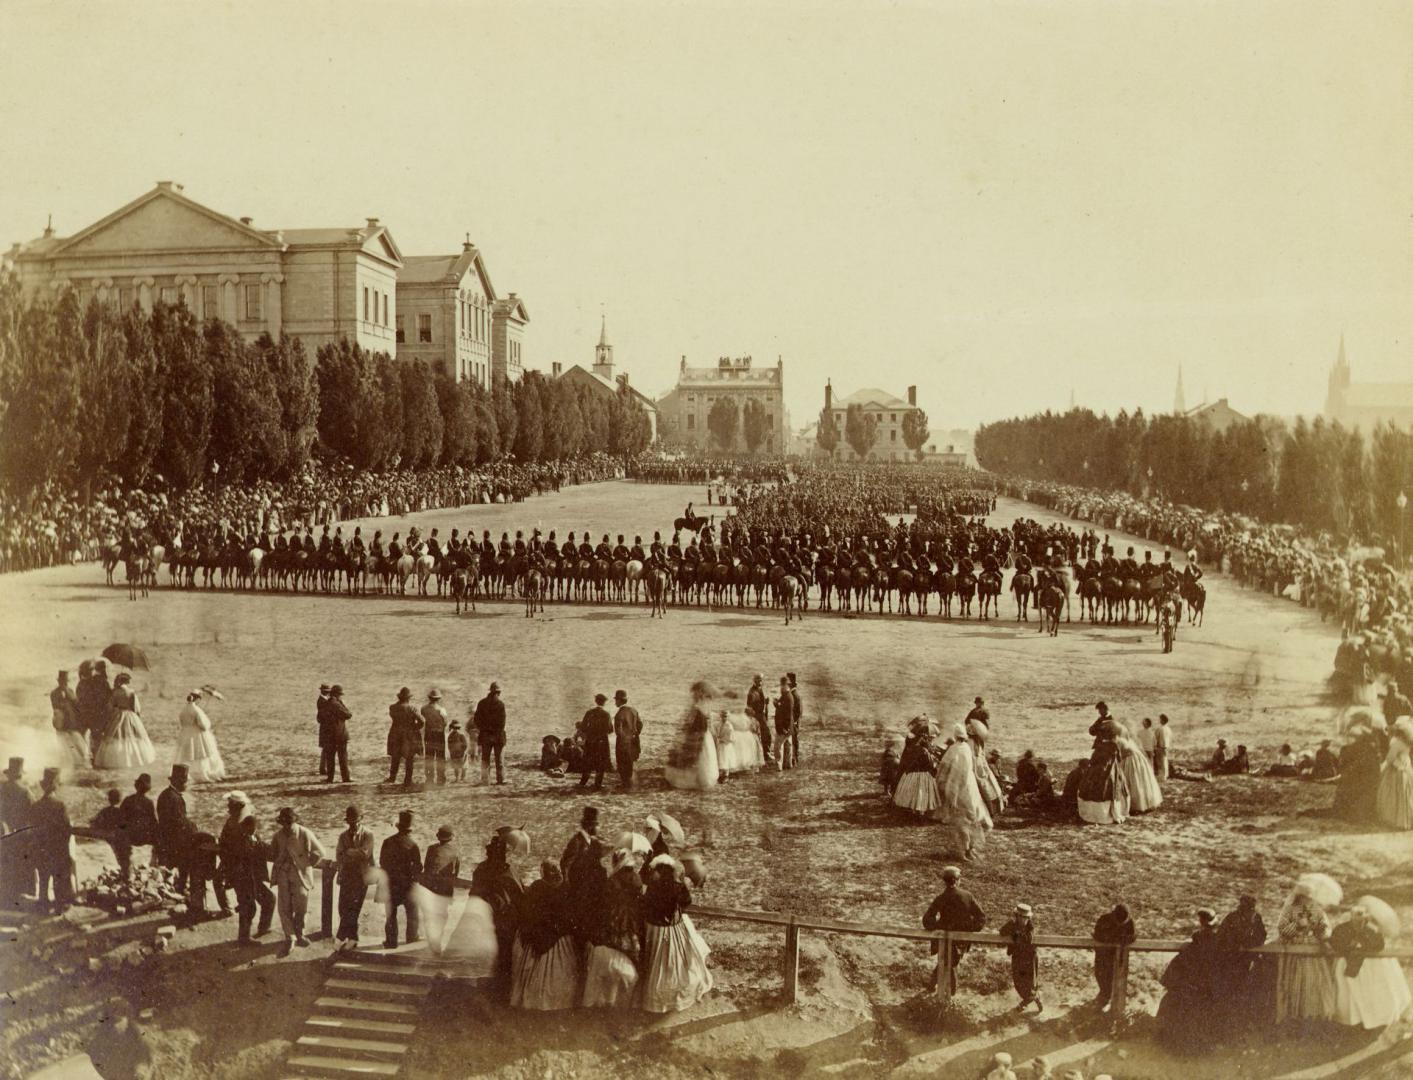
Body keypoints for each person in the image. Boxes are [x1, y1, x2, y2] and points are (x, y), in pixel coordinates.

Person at [639, 856, 713, 1012]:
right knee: (672, 962)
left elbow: (645, 904)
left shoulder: (653, 885)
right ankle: (673, 995)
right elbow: (686, 901)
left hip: (654, 929)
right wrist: (682, 885)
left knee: (655, 961)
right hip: (670, 929)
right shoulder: (676, 886)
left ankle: (655, 996)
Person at [1332, 896, 1412, 1029]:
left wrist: (1365, 935)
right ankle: (1354, 1018)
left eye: (1362, 915)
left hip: (1372, 963)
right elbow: (1337, 939)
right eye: (1356, 914)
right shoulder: (1346, 926)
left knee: (1378, 990)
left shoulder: (1372, 929)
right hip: (1350, 962)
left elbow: (1378, 945)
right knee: (1350, 993)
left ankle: (1378, 1016)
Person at [511, 861, 581, 1010]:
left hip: (542, 934)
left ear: (544, 872)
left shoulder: (537, 886)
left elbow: (527, 912)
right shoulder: (565, 888)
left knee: (533, 969)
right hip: (559, 936)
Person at [583, 848, 645, 1008]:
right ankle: (630, 998)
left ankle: (607, 998)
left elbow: (605, 905)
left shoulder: (612, 881)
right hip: (631, 922)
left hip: (615, 921)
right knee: (632, 956)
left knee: (607, 957)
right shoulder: (636, 878)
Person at [1275, 874, 1340, 1024]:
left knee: (1316, 981)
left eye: (1310, 898)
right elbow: (1282, 929)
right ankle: (1296, 1013)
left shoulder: (1317, 911)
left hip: (1313, 950)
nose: (1307, 900)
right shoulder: (1290, 910)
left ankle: (1315, 1012)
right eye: (1304, 897)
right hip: (1296, 949)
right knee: (1297, 981)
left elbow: (1325, 928)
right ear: (1298, 897)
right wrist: (1297, 926)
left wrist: (1320, 931)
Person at [1156, 909, 1220, 1055]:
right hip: (1206, 990)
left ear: (1201, 923)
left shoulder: (1194, 947)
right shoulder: (1217, 944)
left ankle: (1177, 1045)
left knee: (1176, 1005)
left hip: (1192, 989)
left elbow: (1175, 970)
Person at [269, 806, 326, 957]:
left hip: (300, 873)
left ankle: (299, 933)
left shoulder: (304, 833)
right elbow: (272, 853)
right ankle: (290, 937)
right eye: (284, 822)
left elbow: (320, 852)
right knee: (284, 906)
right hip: (283, 873)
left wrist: (307, 864)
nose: (287, 825)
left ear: (294, 821)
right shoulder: (278, 836)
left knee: (301, 905)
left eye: (290, 822)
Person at [922, 865, 986, 993]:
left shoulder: (940, 898)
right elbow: (981, 917)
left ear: (944, 881)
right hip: (961, 940)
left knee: (947, 962)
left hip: (943, 938)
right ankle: (950, 992)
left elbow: (927, 920)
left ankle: (936, 987)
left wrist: (938, 927)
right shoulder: (967, 896)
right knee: (950, 963)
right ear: (957, 880)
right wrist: (970, 929)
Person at [933, 726, 994, 860]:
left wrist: (941, 781)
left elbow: (944, 767)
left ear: (955, 736)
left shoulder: (953, 749)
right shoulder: (966, 748)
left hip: (957, 786)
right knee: (972, 817)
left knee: (962, 821)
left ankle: (965, 850)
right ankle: (969, 849)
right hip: (969, 786)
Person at [1214, 895, 1268, 1035]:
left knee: (1243, 994)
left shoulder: (1256, 918)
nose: (1249, 909)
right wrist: (1236, 946)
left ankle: (1238, 1027)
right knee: (1231, 993)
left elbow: (1261, 935)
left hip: (1246, 962)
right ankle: (1228, 1027)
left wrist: (1249, 947)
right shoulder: (1232, 918)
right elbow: (1221, 936)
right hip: (1230, 962)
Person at [224, 814, 273, 943]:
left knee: (269, 899)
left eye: (254, 829)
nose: (253, 831)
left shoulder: (254, 836)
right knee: (248, 907)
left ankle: (264, 927)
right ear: (244, 827)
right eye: (250, 829)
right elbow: (237, 857)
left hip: (253, 878)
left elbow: (262, 847)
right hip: (242, 880)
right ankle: (244, 937)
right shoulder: (237, 839)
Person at [31, 769, 74, 913]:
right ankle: (60, 905)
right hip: (57, 849)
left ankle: (43, 903)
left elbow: (33, 830)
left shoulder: (36, 806)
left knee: (43, 878)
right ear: (56, 786)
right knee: (58, 877)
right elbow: (66, 829)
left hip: (41, 849)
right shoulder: (60, 805)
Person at [334, 805, 374, 951]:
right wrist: (351, 855)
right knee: (343, 907)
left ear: (360, 820)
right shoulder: (343, 836)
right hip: (347, 875)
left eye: (355, 821)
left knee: (353, 908)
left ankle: (345, 937)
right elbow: (339, 855)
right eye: (350, 822)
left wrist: (349, 852)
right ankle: (351, 937)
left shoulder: (368, 834)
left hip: (361, 876)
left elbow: (365, 854)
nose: (353, 824)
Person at [95, 672, 156, 769]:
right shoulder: (131, 692)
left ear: (119, 681)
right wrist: (137, 718)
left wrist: (114, 713)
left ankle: (116, 760)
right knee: (132, 737)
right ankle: (134, 759)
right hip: (130, 715)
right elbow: (136, 708)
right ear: (127, 682)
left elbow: (109, 707)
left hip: (118, 715)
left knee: (115, 735)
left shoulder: (115, 692)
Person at [380, 809, 421, 948]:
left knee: (390, 914)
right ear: (409, 830)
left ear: (398, 827)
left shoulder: (387, 842)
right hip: (408, 885)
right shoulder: (413, 845)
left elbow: (382, 862)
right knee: (412, 912)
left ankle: (391, 941)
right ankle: (412, 938)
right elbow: (418, 868)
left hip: (391, 884)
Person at [418, 826, 461, 955]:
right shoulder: (455, 851)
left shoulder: (431, 849)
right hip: (444, 889)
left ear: (439, 837)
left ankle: (431, 941)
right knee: (442, 915)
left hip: (430, 888)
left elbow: (426, 868)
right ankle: (437, 941)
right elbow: (456, 873)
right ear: (451, 837)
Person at [0, 757, 36, 907]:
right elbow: (34, 813)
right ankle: (19, 896)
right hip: (19, 834)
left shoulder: (1, 788)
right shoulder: (25, 792)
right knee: (20, 864)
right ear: (21, 775)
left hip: (2, 832)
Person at [155, 764, 194, 895]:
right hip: (174, 839)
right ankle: (180, 889)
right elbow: (179, 821)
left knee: (170, 867)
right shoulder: (174, 798)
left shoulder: (166, 794)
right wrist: (193, 827)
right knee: (185, 862)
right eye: (185, 782)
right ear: (178, 782)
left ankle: (172, 888)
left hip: (168, 837)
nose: (187, 785)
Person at [174, 690, 226, 783]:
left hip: (185, 734)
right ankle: (202, 775)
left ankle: (188, 774)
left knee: (188, 756)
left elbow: (182, 722)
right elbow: (204, 725)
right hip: (196, 735)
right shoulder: (197, 710)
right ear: (197, 699)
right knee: (201, 755)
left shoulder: (183, 710)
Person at [893, 719, 942, 817]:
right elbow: (930, 764)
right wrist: (935, 762)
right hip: (923, 774)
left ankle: (914, 810)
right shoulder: (924, 752)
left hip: (914, 772)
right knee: (921, 793)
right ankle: (921, 812)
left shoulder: (915, 749)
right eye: (929, 740)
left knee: (914, 792)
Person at [1092, 903, 1136, 1010]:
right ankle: (1103, 999)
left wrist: (1124, 939)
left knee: (1116, 979)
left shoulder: (1129, 922)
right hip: (1103, 954)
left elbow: (1132, 936)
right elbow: (1097, 935)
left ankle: (1111, 1003)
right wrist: (1112, 938)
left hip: (1119, 956)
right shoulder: (1104, 919)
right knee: (1101, 976)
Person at [999, 902, 1041, 1012]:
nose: (1024, 920)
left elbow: (1027, 939)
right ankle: (1033, 998)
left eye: (1026, 918)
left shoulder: (1030, 927)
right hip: (1017, 957)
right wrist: (1011, 926)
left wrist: (1015, 934)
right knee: (1018, 983)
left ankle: (1025, 1003)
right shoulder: (1013, 924)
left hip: (1029, 959)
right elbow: (1002, 932)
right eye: (1021, 917)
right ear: (1017, 916)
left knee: (1029, 983)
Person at [1376, 718, 1413, 829]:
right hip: (1405, 768)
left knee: (1395, 794)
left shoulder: (1397, 742)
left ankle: (1396, 819)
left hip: (1398, 770)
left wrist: (1396, 766)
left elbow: (1390, 758)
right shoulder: (1406, 742)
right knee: (1405, 794)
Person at [387, 687, 423, 787]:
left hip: (395, 734)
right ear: (408, 698)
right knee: (409, 758)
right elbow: (422, 721)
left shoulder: (392, 707)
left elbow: (393, 717)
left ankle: (392, 777)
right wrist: (414, 727)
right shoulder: (412, 708)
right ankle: (407, 780)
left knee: (395, 756)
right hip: (408, 735)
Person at [577, 694, 614, 790]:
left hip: (591, 741)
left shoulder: (589, 712)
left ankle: (583, 782)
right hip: (602, 742)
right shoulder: (606, 714)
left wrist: (590, 732)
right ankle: (598, 784)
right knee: (601, 762)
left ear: (596, 701)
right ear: (604, 702)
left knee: (588, 761)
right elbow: (610, 729)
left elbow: (583, 727)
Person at [92, 788, 132, 878]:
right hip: (118, 837)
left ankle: (123, 873)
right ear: (119, 799)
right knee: (124, 857)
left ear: (109, 799)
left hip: (107, 836)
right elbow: (125, 825)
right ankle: (125, 873)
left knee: (119, 856)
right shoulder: (121, 811)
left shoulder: (104, 811)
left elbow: (95, 823)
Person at [50, 671, 86, 767]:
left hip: (71, 719)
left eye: (66, 681)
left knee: (74, 740)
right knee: (62, 740)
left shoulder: (70, 691)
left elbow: (76, 703)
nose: (64, 683)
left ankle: (77, 760)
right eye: (62, 681)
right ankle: (66, 761)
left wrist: (70, 697)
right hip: (61, 720)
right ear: (59, 681)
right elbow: (55, 706)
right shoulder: (54, 693)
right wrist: (65, 704)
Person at [474, 682, 507, 785]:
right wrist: (495, 731)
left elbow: (477, 720)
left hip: (485, 735)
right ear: (498, 692)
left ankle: (485, 780)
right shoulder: (500, 704)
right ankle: (500, 779)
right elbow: (502, 723)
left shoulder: (481, 703)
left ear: (490, 691)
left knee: (485, 759)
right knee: (499, 759)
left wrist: (484, 729)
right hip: (498, 736)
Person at [613, 690, 642, 790]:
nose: (615, 702)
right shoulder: (634, 710)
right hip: (633, 741)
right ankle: (629, 784)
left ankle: (625, 785)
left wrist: (622, 738)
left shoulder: (619, 713)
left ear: (620, 701)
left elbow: (618, 731)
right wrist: (635, 734)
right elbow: (640, 724)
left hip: (623, 742)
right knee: (630, 762)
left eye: (616, 700)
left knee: (621, 763)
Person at [322, 685, 352, 783]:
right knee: (343, 757)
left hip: (328, 735)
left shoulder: (325, 704)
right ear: (337, 694)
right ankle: (345, 778)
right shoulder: (336, 704)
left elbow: (319, 718)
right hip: (340, 734)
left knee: (330, 757)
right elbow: (348, 714)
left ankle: (330, 778)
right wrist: (341, 703)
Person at [560, 806, 598, 875]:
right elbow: (564, 863)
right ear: (590, 826)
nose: (595, 829)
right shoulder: (576, 842)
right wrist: (567, 882)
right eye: (594, 825)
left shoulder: (590, 841)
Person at [422, 689, 448, 785]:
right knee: (440, 757)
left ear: (429, 698)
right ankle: (441, 779)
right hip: (439, 734)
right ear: (438, 699)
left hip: (428, 734)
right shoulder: (442, 710)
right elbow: (445, 722)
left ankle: (429, 779)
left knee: (429, 756)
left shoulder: (424, 709)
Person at [773, 677, 796, 770]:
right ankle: (788, 764)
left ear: (785, 685)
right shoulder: (787, 695)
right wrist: (777, 704)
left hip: (784, 726)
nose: (781, 687)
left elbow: (788, 713)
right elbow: (785, 710)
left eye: (782, 685)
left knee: (778, 747)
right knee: (788, 745)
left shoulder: (787, 696)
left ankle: (779, 766)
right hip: (788, 726)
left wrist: (785, 727)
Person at [315, 682, 332, 778]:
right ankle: (323, 768)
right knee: (326, 748)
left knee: (325, 748)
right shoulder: (323, 701)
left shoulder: (322, 700)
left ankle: (322, 767)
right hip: (326, 728)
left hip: (324, 727)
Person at [787, 673, 803, 765]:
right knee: (794, 741)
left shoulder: (794, 695)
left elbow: (798, 711)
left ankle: (794, 759)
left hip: (794, 722)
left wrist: (795, 722)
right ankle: (794, 758)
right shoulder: (794, 694)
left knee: (794, 741)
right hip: (794, 722)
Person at [1153, 714, 1171, 781]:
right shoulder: (1168, 729)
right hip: (1166, 747)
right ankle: (1165, 775)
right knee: (1165, 761)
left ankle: (1161, 776)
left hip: (1160, 747)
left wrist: (1154, 747)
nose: (1159, 720)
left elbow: (1155, 738)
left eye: (1160, 719)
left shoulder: (1159, 729)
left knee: (1160, 762)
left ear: (1162, 720)